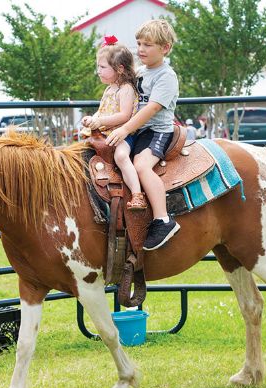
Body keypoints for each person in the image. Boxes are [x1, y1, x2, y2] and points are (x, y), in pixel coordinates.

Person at [105, 19, 180, 251]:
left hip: (157, 130)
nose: (140, 49)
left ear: (165, 48)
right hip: (138, 129)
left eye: (148, 45)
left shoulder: (166, 76)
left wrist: (125, 128)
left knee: (141, 166)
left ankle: (162, 219)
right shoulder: (140, 72)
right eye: (138, 43)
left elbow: (152, 108)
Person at [81, 36, 147, 211]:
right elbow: (103, 110)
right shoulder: (110, 88)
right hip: (106, 132)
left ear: (119, 68)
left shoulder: (125, 89)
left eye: (102, 67)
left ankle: (137, 194)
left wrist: (99, 121)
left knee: (121, 156)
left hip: (123, 134)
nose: (98, 71)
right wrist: (92, 119)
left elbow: (125, 116)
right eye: (98, 66)